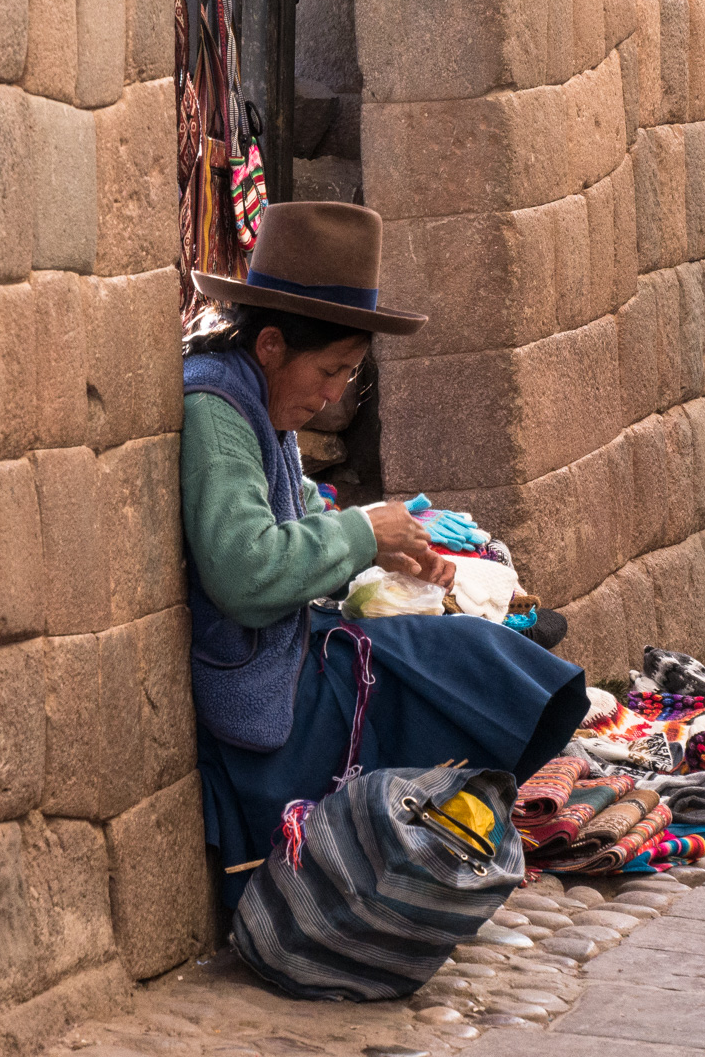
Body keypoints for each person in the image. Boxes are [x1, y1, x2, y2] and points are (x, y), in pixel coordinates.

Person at [181, 202, 590, 907]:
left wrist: (382, 556)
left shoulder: (261, 400)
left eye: (349, 375)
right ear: (272, 344)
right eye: (329, 370)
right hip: (258, 684)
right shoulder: (215, 410)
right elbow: (246, 572)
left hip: (286, 651)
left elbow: (304, 512)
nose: (335, 395)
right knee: (456, 670)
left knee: (483, 651)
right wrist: (366, 533)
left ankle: (419, 843)